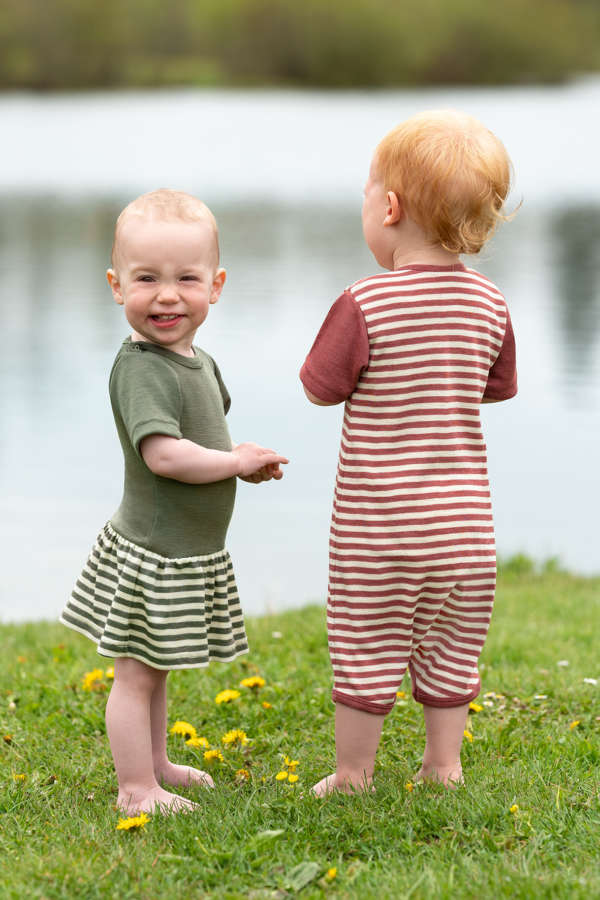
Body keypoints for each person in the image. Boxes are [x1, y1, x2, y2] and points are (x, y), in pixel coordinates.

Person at [300, 110, 517, 795]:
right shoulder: (491, 304)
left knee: (366, 645)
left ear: (388, 208)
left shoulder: (365, 302)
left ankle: (353, 775)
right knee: (452, 644)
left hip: (381, 532)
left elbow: (319, 388)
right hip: (464, 531)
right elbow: (495, 388)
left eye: (367, 195)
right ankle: (443, 764)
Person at [61, 189, 288, 814]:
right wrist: (231, 462)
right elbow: (163, 454)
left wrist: (241, 460)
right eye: (146, 279)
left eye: (186, 278)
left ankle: (156, 763)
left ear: (215, 286)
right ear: (116, 285)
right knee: (135, 674)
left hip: (185, 550)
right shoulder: (142, 368)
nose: (167, 295)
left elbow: (205, 442)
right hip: (153, 551)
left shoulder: (196, 360)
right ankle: (135, 788)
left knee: (155, 668)